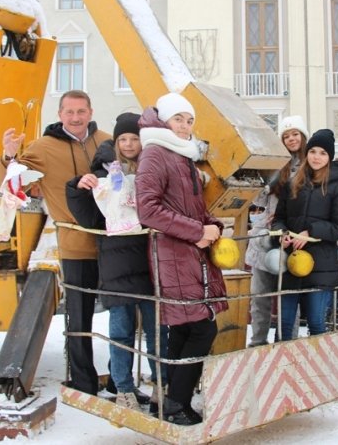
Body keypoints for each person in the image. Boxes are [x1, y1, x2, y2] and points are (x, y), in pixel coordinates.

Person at [1, 90, 110, 395]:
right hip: (76, 243)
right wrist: (8, 155)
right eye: (70, 112)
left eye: (81, 111)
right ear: (60, 114)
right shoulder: (44, 148)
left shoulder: (106, 140)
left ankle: (120, 378)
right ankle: (83, 382)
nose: (76, 118)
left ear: (90, 112)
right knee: (80, 316)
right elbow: (11, 180)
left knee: (122, 315)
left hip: (114, 242)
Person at [135, 92, 228, 425]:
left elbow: (195, 209)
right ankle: (176, 403)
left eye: (189, 120)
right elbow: (148, 209)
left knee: (184, 330)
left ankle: (169, 402)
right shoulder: (156, 154)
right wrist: (196, 231)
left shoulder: (182, 156)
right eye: (179, 119)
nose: (186, 126)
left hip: (189, 252)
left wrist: (212, 224)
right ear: (163, 121)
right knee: (202, 329)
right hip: (174, 254)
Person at [65, 112, 168, 411]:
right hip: (117, 265)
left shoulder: (154, 168)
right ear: (116, 142)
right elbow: (90, 217)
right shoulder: (105, 175)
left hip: (151, 262)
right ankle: (124, 388)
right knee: (121, 331)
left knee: (157, 332)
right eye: (123, 139)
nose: (129, 144)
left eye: (134, 138)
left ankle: (162, 385)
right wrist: (78, 187)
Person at [271, 128, 338, 340]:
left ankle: (317, 372)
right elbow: (280, 218)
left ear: (330, 157)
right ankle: (282, 371)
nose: (316, 157)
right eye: (313, 151)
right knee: (284, 324)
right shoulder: (293, 183)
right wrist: (282, 234)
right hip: (292, 264)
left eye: (323, 153)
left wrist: (310, 232)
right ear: (307, 153)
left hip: (321, 266)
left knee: (316, 323)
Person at [245, 115, 308, 346]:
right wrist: (263, 183)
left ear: (303, 137)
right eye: (286, 136)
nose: (291, 139)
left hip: (290, 237)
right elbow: (257, 197)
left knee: (288, 298)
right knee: (259, 297)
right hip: (264, 237)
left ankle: (287, 343)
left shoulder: (310, 164)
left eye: (295, 134)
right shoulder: (272, 164)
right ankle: (257, 342)